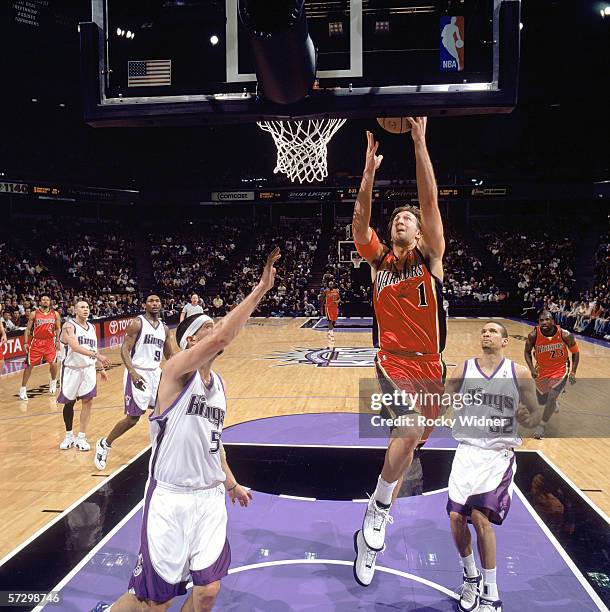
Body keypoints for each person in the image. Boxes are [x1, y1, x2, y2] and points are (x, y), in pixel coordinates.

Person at [102, 248, 281, 612]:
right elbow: (221, 339)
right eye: (207, 328)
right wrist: (261, 289)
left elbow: (214, 445)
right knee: (155, 601)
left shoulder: (220, 386)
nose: (215, 330)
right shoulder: (174, 374)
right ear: (190, 343)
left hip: (210, 497)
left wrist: (230, 483)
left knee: (209, 590)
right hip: (171, 498)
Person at [352, 120, 447, 586]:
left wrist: (419, 142)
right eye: (396, 219)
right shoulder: (379, 262)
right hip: (392, 359)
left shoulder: (431, 258)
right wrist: (368, 171)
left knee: (411, 445)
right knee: (407, 429)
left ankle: (377, 508)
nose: (401, 220)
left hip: (432, 365)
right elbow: (359, 222)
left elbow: (429, 201)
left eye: (406, 218)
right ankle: (379, 510)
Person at [445, 321, 541, 612]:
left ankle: (491, 593)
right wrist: (450, 403)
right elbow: (444, 398)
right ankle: (471, 577)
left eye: (493, 331)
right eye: (484, 331)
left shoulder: (519, 373)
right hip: (466, 452)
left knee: (480, 518)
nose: (486, 334)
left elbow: (535, 415)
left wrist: (527, 417)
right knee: (455, 517)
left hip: (497, 455)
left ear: (505, 340)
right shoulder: (464, 368)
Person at [95, 295, 174, 470]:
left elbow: (170, 356)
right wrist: (132, 372)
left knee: (167, 411)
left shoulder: (165, 329)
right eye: (151, 301)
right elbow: (125, 349)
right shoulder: (137, 323)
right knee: (133, 419)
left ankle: (163, 449)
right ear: (144, 305)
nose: (155, 303)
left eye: (157, 301)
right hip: (137, 372)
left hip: (156, 373)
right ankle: (104, 444)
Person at [57, 300, 111, 451]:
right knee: (69, 403)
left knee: (88, 401)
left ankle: (81, 437)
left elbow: (93, 347)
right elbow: (74, 347)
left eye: (87, 307)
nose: (86, 309)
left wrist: (100, 369)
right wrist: (98, 356)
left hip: (88, 368)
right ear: (75, 310)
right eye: (82, 307)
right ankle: (69, 436)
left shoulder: (92, 327)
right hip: (71, 369)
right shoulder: (69, 326)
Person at [523, 310, 579, 439]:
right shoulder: (533, 335)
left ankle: (542, 426)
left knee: (552, 396)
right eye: (541, 320)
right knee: (542, 400)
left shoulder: (565, 335)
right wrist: (532, 368)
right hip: (542, 370)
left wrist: (573, 371)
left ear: (553, 321)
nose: (544, 322)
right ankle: (553, 404)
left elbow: (575, 352)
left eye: (547, 319)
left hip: (560, 369)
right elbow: (527, 352)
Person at [18, 294, 61, 400]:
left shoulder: (55, 314)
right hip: (36, 342)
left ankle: (53, 381)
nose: (45, 301)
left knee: (54, 364)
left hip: (50, 342)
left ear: (50, 302)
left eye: (47, 299)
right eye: (43, 300)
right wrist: (26, 342)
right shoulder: (34, 314)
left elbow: (58, 329)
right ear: (40, 302)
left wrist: (58, 340)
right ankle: (23, 389)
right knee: (29, 366)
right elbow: (27, 329)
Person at [320, 281, 341, 348]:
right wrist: (321, 308)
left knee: (334, 321)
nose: (331, 285)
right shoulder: (326, 291)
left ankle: (329, 332)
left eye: (332, 284)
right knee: (330, 320)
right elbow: (322, 300)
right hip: (328, 308)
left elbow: (339, 299)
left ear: (333, 284)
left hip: (335, 308)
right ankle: (331, 335)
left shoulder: (336, 291)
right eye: (330, 284)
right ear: (328, 285)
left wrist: (337, 301)